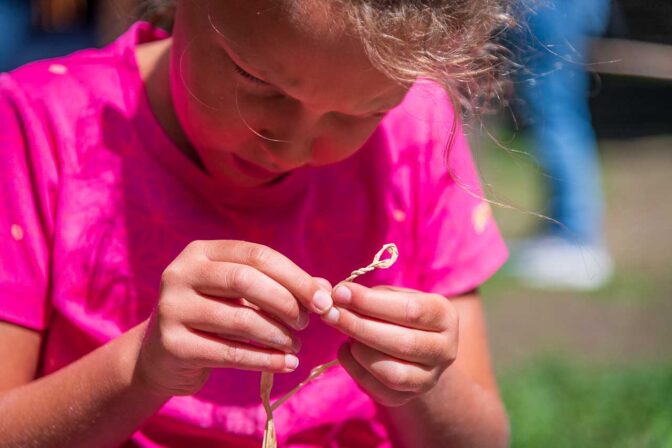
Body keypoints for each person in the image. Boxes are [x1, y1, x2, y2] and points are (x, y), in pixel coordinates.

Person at [0, 1, 511, 446]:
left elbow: (482, 440)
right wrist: (142, 367)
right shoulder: (35, 128)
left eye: (362, 113)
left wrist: (425, 382)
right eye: (260, 83)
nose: (290, 148)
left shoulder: (417, 130)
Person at [508, 0, 614, 290]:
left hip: (551, 8)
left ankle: (575, 238)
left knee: (555, 112)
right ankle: (560, 232)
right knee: (554, 111)